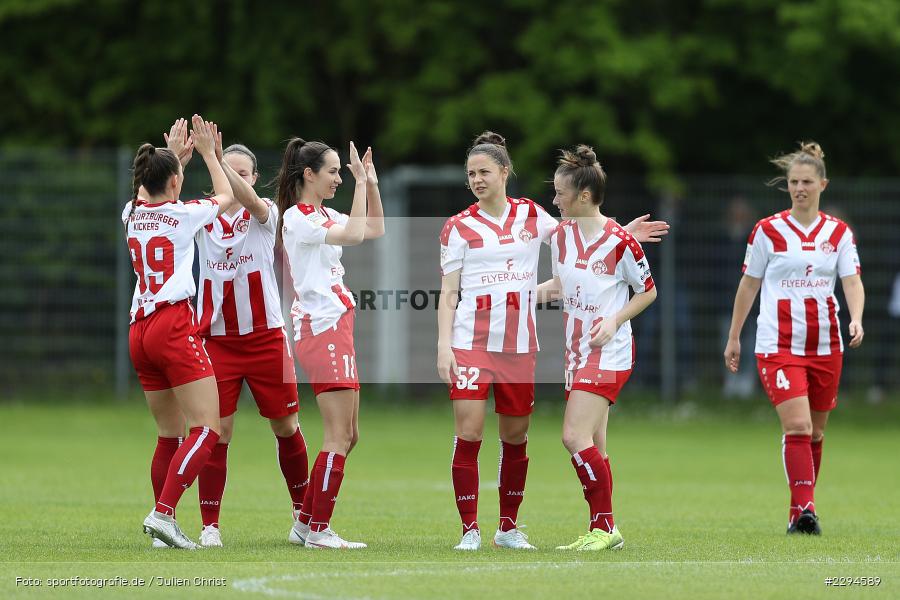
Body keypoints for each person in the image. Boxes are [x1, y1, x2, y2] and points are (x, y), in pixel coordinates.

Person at [437, 132, 667, 551]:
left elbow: (585, 227)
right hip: (473, 341)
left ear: (504, 172)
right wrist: (443, 344)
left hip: (524, 347)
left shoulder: (533, 215)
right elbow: (572, 253)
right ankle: (470, 530)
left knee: (519, 437)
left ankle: (512, 528)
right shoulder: (458, 226)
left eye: (484, 171)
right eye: (471, 173)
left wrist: (621, 233)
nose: (477, 179)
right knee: (470, 432)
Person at [724, 142, 864, 535]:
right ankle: (807, 509)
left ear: (823, 184)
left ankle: (797, 514)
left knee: (815, 432)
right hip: (778, 346)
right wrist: (734, 336)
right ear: (787, 185)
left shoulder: (838, 233)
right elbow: (748, 285)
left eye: (807, 182)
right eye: (793, 182)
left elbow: (852, 281)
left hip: (826, 345)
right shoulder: (767, 230)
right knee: (799, 426)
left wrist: (856, 318)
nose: (800, 188)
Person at [186, 139, 309, 548]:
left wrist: (216, 159)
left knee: (286, 426)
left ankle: (303, 516)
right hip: (217, 341)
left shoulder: (265, 213)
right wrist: (191, 160)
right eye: (226, 170)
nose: (234, 177)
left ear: (254, 178)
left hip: (265, 338)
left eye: (242, 172)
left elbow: (252, 203)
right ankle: (210, 526)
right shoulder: (203, 217)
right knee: (216, 431)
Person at [124, 115, 235, 549]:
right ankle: (163, 514)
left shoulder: (131, 213)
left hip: (139, 330)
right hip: (171, 325)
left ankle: (162, 529)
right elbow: (226, 196)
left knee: (169, 434)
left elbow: (150, 191)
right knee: (207, 429)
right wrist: (208, 154)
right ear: (174, 182)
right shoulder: (183, 215)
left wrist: (173, 159)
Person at [540, 145, 657, 552]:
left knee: (573, 436)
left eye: (560, 193)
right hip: (576, 353)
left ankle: (605, 529)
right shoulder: (561, 238)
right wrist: (513, 296)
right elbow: (559, 286)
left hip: (609, 353)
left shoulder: (622, 243)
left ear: (584, 196)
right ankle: (603, 529)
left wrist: (614, 320)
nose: (554, 201)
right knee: (596, 446)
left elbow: (648, 291)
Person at [278, 138, 384, 549]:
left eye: (342, 171)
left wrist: (369, 183)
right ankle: (319, 530)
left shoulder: (322, 214)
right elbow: (354, 235)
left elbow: (373, 228)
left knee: (349, 435)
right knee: (337, 435)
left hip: (336, 326)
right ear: (309, 174)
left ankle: (306, 523)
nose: (339, 178)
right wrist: (359, 183)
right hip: (321, 329)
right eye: (333, 171)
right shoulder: (298, 217)